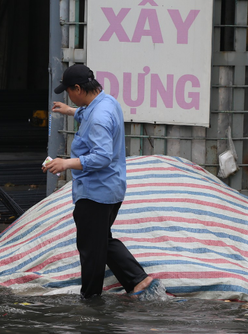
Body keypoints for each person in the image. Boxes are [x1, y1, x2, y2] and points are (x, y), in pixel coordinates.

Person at [43, 63, 163, 299]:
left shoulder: (98, 116)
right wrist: (70, 111)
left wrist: (66, 163)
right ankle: (138, 280)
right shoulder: (107, 102)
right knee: (99, 242)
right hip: (110, 189)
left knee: (90, 250)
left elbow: (102, 156)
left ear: (78, 88)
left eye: (69, 91)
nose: (69, 95)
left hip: (95, 193)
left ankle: (91, 300)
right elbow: (90, 115)